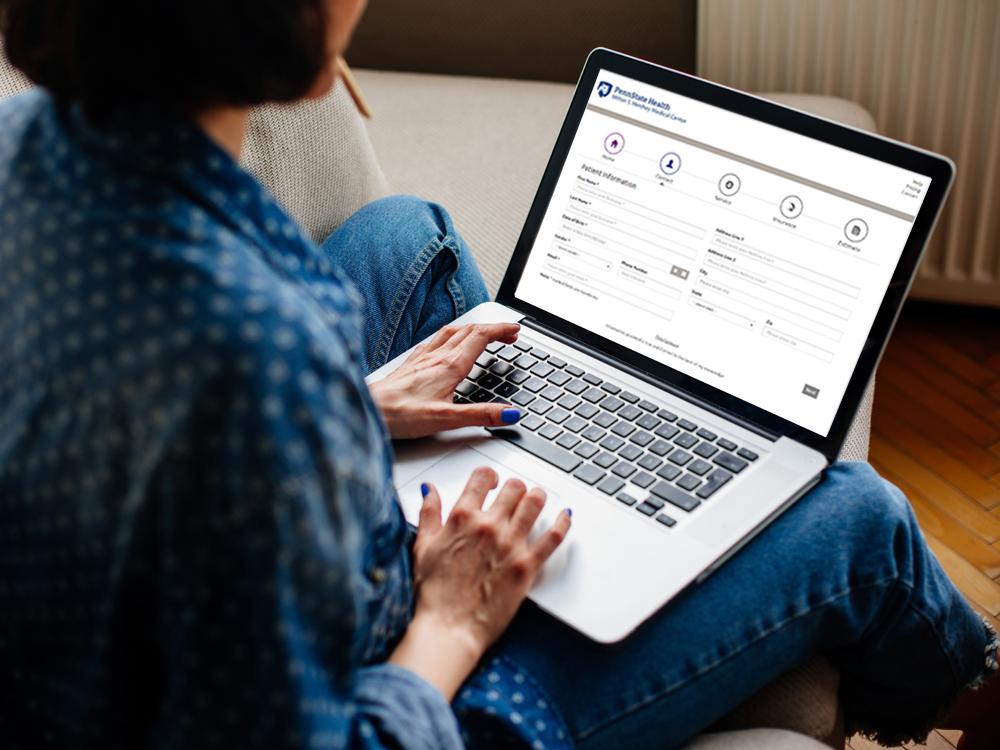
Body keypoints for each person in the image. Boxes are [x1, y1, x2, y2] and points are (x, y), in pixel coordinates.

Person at [0, 0, 996, 748]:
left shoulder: (19, 150)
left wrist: (355, 415)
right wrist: (451, 619)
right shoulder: (259, 355)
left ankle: (563, 453)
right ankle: (968, 684)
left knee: (407, 235)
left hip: (142, 585)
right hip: (389, 672)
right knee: (858, 520)